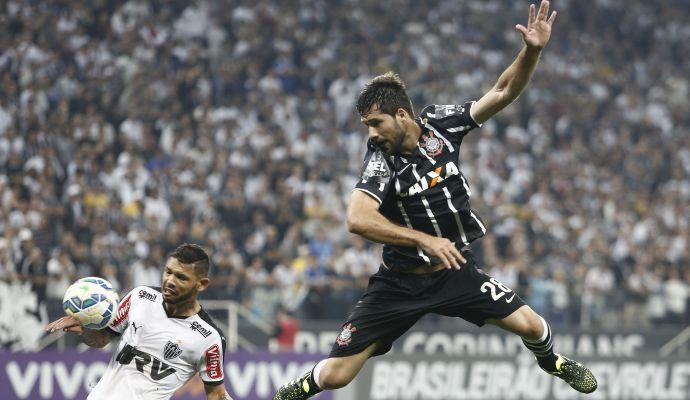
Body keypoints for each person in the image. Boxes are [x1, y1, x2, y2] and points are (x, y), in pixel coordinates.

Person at [273, 2, 597, 399]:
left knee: (533, 326)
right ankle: (299, 387)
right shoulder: (380, 160)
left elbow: (501, 91)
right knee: (336, 377)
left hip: (454, 270)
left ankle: (551, 361)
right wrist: (423, 240)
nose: (371, 134)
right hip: (400, 282)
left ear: (403, 115)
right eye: (366, 127)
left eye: (376, 123)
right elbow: (357, 219)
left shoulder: (440, 125)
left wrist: (532, 51)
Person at [46, 243, 234, 400]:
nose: (170, 281)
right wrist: (84, 329)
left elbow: (217, 395)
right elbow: (102, 338)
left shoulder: (209, 338)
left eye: (181, 277)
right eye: (168, 272)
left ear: (201, 284)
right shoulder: (141, 297)